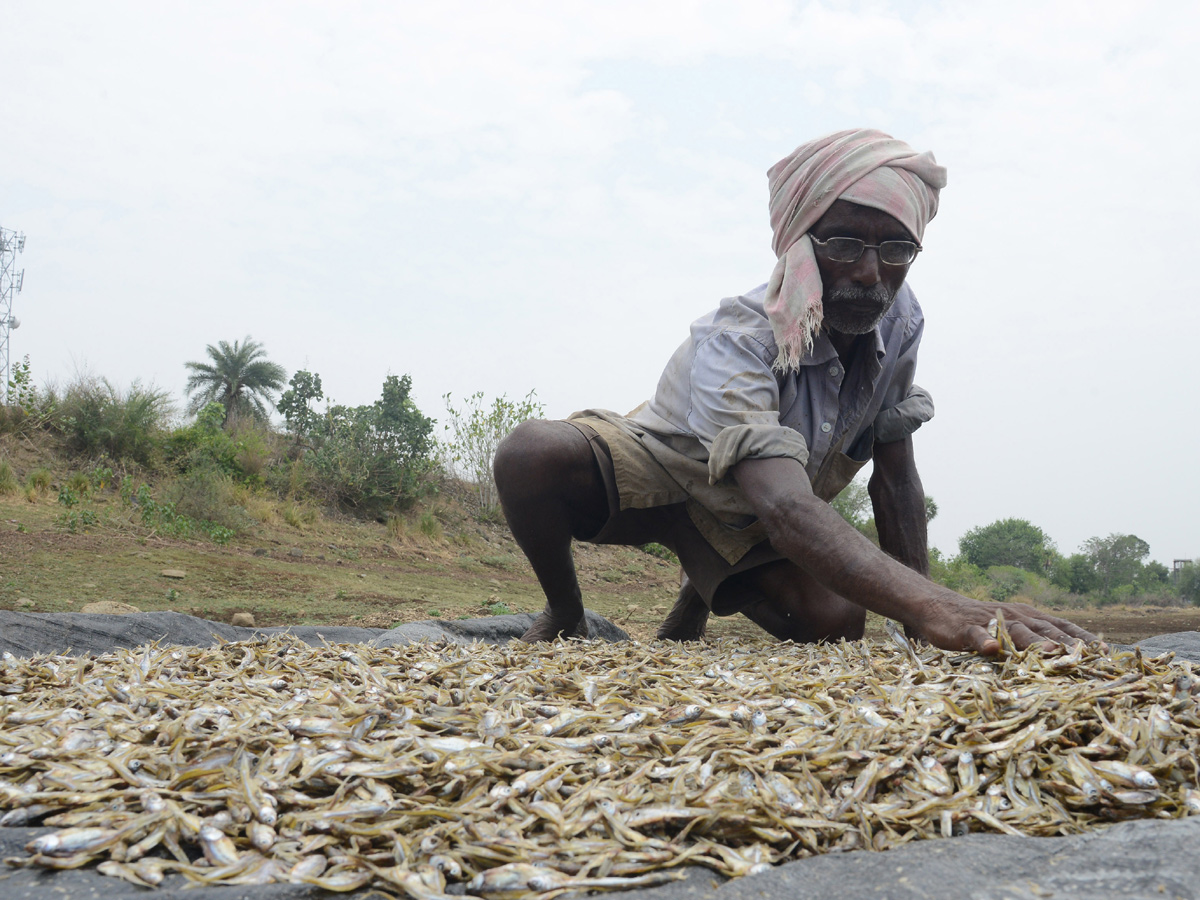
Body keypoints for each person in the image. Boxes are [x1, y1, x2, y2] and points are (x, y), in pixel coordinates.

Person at [494, 128, 1095, 654]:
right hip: (663, 467)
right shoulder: (740, 336)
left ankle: (698, 583)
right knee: (532, 455)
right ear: (803, 242)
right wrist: (939, 605)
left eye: (895, 249)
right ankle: (567, 613)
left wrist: (924, 620)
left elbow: (896, 474)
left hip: (742, 510)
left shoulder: (900, 319)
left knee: (835, 623)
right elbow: (785, 507)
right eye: (843, 244)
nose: (869, 272)